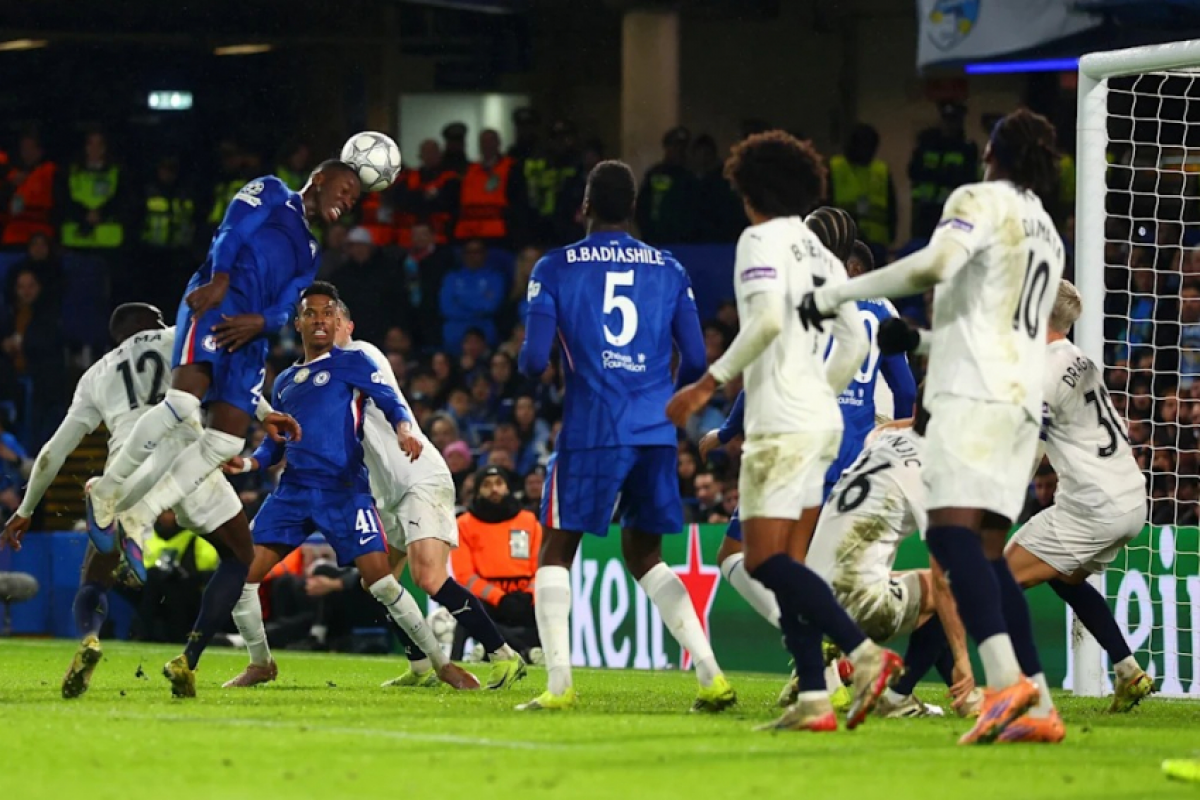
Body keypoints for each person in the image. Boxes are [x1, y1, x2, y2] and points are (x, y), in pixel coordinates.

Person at [799, 108, 1068, 744]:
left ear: (994, 155)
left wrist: (839, 293)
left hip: (973, 397)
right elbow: (997, 325)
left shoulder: (979, 199)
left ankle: (1007, 685)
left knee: (950, 539)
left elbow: (931, 266)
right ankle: (1036, 702)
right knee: (986, 551)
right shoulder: (1049, 234)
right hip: (1021, 403)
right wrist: (918, 341)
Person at [668, 130, 900, 733]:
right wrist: (821, 391)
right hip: (821, 422)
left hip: (781, 421)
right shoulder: (823, 256)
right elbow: (854, 342)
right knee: (791, 562)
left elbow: (768, 319)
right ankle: (815, 699)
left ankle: (865, 655)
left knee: (761, 560)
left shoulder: (760, 240)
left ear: (750, 189)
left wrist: (708, 382)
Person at [517, 159, 732, 712]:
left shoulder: (555, 266)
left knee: (557, 548)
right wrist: (661, 396)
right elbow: (697, 358)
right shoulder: (670, 268)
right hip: (655, 429)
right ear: (634, 207)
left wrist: (549, 363)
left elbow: (534, 360)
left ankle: (559, 686)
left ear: (585, 206)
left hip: (592, 426)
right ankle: (710, 674)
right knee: (645, 553)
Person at [84, 162, 359, 563]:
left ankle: (141, 516)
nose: (348, 201)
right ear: (319, 178)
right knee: (182, 403)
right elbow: (231, 231)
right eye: (345, 189)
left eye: (354, 198)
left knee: (225, 441)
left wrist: (262, 323)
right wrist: (220, 279)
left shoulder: (312, 251)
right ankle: (108, 490)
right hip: (218, 301)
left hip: (253, 330)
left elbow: (287, 305)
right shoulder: (273, 191)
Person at [219, 283, 478, 692]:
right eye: (311, 313)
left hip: (343, 490)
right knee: (242, 576)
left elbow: (389, 399)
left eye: (327, 312)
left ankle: (442, 665)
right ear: (298, 322)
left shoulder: (351, 361)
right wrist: (249, 462)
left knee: (381, 582)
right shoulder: (284, 381)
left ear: (336, 319)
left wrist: (404, 428)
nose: (320, 319)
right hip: (294, 491)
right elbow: (276, 442)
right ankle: (260, 663)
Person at [0, 303, 254, 699]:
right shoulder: (178, 338)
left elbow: (54, 451)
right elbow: (235, 381)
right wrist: (262, 415)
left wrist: (25, 509)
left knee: (95, 574)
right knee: (239, 557)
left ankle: (89, 639)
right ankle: (188, 658)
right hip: (189, 458)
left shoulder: (95, 374)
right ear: (152, 322)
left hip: (128, 469)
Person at [330, 300, 526, 690]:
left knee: (429, 577)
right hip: (388, 490)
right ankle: (420, 666)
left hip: (419, 476)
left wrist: (403, 427)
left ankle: (503, 654)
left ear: (349, 326)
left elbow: (381, 402)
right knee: (377, 580)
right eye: (315, 319)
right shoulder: (320, 376)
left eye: (333, 320)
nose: (324, 326)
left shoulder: (361, 355)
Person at [1004, 279, 1154, 713]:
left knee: (996, 579)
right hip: (1129, 497)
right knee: (1064, 576)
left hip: (1092, 507)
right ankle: (1128, 670)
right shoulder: (1079, 358)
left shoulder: (1041, 372)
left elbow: (1033, 445)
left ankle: (1007, 689)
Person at [804, 396, 980, 720]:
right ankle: (898, 697)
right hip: (854, 602)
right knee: (963, 586)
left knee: (918, 587)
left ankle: (963, 700)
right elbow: (945, 582)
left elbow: (888, 428)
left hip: (812, 598)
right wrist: (962, 660)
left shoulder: (883, 441)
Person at [451, 465, 543, 660]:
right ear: (478, 491)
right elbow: (465, 576)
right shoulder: (464, 524)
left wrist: (529, 595)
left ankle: (493, 650)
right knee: (468, 611)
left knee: (551, 607)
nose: (494, 489)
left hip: (525, 598)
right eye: (487, 485)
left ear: (507, 487)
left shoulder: (528, 521)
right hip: (488, 602)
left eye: (499, 483)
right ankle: (526, 652)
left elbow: (540, 566)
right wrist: (499, 598)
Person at [635, 126, 697, 245]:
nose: (678, 151)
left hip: (684, 243)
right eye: (674, 146)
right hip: (655, 240)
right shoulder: (655, 174)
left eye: (682, 147)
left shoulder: (690, 177)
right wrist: (648, 233)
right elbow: (642, 207)